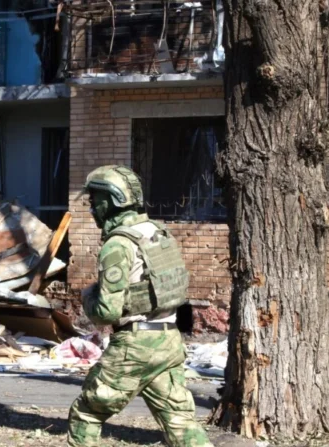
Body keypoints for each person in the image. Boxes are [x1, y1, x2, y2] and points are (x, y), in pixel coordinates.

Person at [68, 165, 213, 447]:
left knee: (86, 413)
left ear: (112, 200)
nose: (92, 207)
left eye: (94, 200)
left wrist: (88, 297)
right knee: (181, 423)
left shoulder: (118, 244)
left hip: (135, 346)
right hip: (169, 341)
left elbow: (107, 312)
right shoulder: (158, 233)